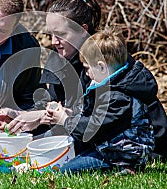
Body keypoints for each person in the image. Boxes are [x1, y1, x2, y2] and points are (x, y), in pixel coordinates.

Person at [0, 0, 167, 161]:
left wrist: (43, 117)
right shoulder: (60, 58)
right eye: (51, 34)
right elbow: (53, 106)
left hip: (132, 143)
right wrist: (19, 115)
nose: (54, 41)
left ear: (83, 30)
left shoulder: (104, 61)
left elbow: (95, 120)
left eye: (61, 34)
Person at [46, 28, 155, 174]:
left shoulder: (118, 97)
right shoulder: (109, 86)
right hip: (108, 145)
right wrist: (71, 114)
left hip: (123, 152)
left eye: (87, 68)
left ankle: (126, 167)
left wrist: (66, 120)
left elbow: (93, 128)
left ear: (101, 67)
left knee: (66, 171)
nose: (86, 73)